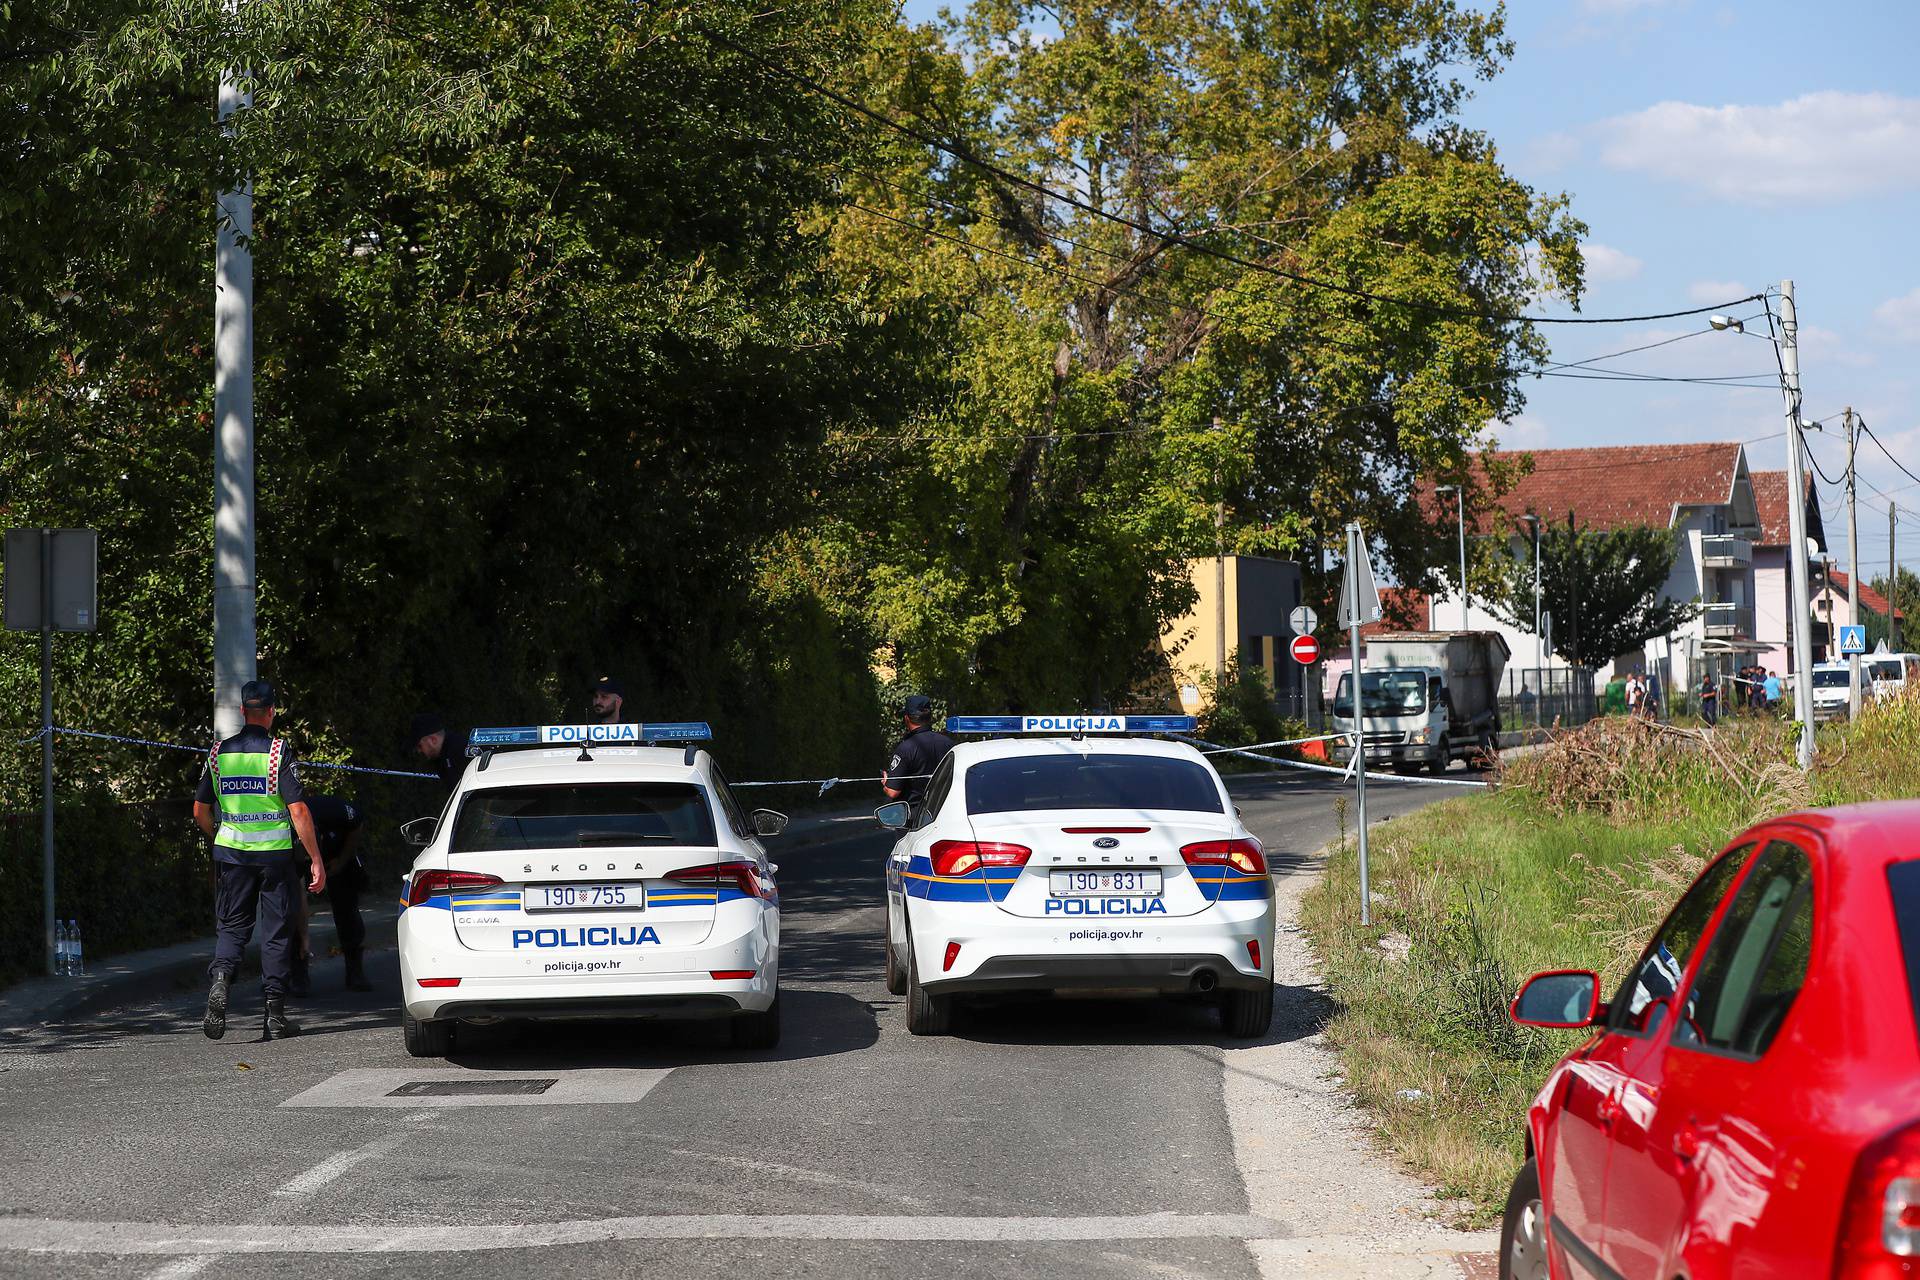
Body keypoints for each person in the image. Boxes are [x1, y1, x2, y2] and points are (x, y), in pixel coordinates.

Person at [193, 679, 325, 1041]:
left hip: (232, 856)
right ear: (270, 712)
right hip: (275, 859)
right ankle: (275, 1014)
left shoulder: (219, 752)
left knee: (232, 927)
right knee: (275, 932)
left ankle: (221, 980)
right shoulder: (278, 751)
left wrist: (219, 835)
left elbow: (200, 810)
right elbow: (297, 810)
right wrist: (315, 858)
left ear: (241, 711)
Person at [288, 795, 373, 993]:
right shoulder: (285, 830)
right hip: (302, 858)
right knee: (290, 909)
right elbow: (298, 894)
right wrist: (305, 936)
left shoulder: (334, 811)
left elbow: (357, 823)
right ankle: (298, 974)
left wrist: (342, 860)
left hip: (336, 852)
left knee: (347, 908)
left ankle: (355, 971)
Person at [882, 695, 953, 808]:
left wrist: (886, 781)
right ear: (930, 717)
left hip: (915, 818)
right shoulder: (948, 743)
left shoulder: (905, 748)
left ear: (906, 718)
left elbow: (892, 792)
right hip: (944, 813)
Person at [409, 713, 471, 796]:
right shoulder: (441, 758)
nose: (419, 751)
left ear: (433, 740)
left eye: (420, 746)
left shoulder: (460, 752)